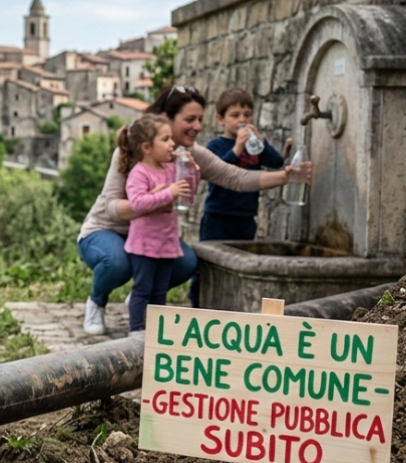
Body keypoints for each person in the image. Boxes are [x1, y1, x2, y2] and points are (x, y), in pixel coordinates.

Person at [77, 84, 311, 333]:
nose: (198, 126)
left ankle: (141, 295)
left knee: (187, 263)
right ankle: (97, 301)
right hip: (106, 231)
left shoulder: (190, 155)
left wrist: (286, 177)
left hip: (150, 235)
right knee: (117, 262)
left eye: (200, 119)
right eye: (190, 119)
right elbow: (113, 208)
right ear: (166, 118)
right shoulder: (134, 150)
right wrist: (158, 201)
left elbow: (236, 178)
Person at [120, 115, 193, 334]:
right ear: (146, 147)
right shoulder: (139, 173)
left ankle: (157, 332)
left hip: (166, 244)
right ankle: (136, 331)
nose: (173, 144)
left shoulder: (171, 169)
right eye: (166, 139)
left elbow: (188, 190)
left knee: (160, 292)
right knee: (142, 290)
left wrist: (191, 169)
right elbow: (138, 203)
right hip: (144, 246)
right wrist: (168, 193)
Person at [199, 88, 289, 242]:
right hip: (218, 217)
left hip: (246, 217)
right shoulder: (216, 145)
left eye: (247, 115)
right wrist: (237, 149)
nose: (242, 120)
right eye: (235, 115)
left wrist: (261, 142)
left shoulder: (254, 145)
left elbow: (276, 162)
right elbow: (218, 172)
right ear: (221, 119)